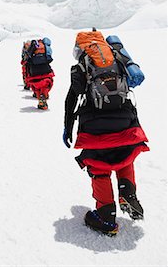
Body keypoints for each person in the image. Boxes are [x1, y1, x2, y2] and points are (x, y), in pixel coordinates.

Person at [63, 29, 149, 236]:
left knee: (99, 166)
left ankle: (106, 215)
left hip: (94, 124)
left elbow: (72, 98)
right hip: (125, 119)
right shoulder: (117, 57)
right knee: (124, 155)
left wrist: (68, 127)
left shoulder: (83, 64)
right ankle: (127, 192)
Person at [25, 38, 54, 110]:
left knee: (36, 84)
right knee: (47, 82)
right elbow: (49, 59)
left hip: (34, 70)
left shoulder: (32, 47)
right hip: (45, 68)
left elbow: (27, 60)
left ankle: (40, 97)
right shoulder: (45, 47)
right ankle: (43, 95)